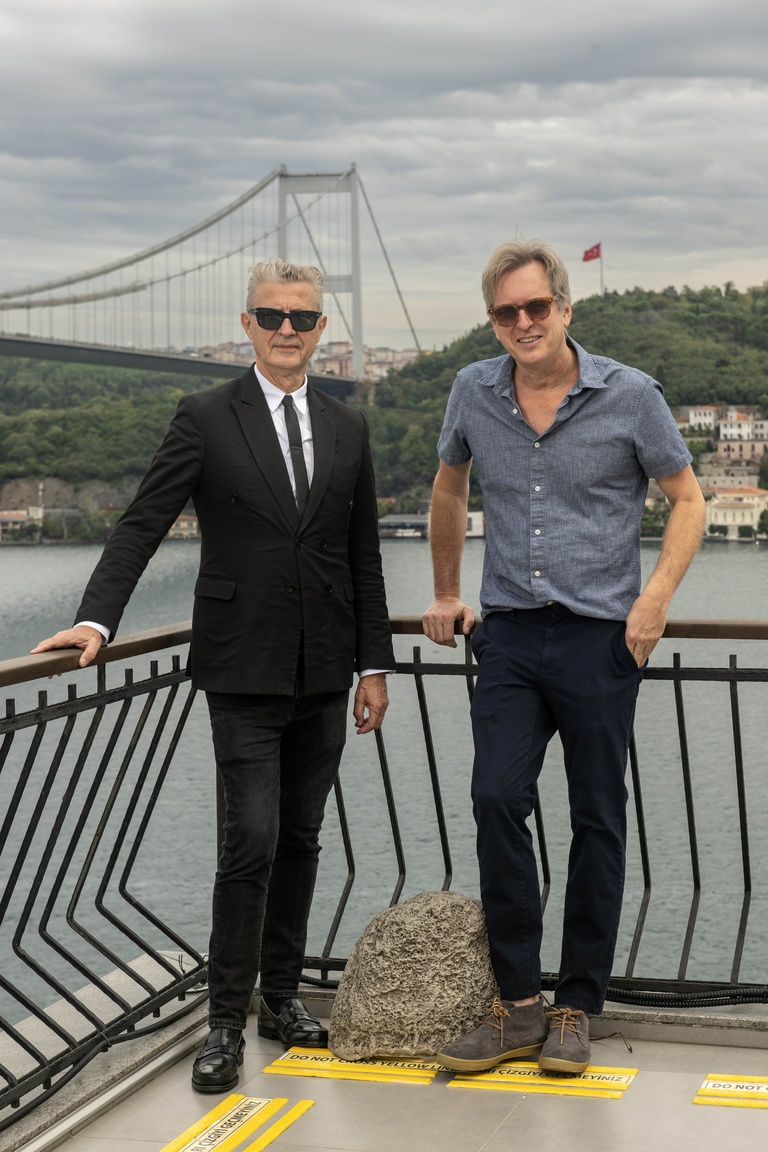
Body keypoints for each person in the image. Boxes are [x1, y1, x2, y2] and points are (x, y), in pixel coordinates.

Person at [32, 258, 395, 1093]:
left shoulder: (348, 427)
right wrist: (96, 619)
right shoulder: (203, 415)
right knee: (250, 842)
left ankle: (282, 1000)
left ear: (321, 330)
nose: (285, 330)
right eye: (271, 316)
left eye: (301, 318)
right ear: (247, 325)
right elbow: (142, 522)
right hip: (240, 667)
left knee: (301, 838)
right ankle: (225, 1020)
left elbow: (363, 554)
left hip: (324, 667)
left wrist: (373, 664)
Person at [423, 240, 705, 1075]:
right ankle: (518, 1006)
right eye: (506, 311)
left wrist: (654, 599)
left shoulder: (631, 395)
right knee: (495, 797)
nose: (523, 322)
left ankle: (576, 1005)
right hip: (509, 633)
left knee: (596, 818)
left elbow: (688, 500)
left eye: (536, 306)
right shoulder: (472, 390)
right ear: (493, 320)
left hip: (600, 637)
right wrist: (446, 591)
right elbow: (449, 485)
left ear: (564, 308)